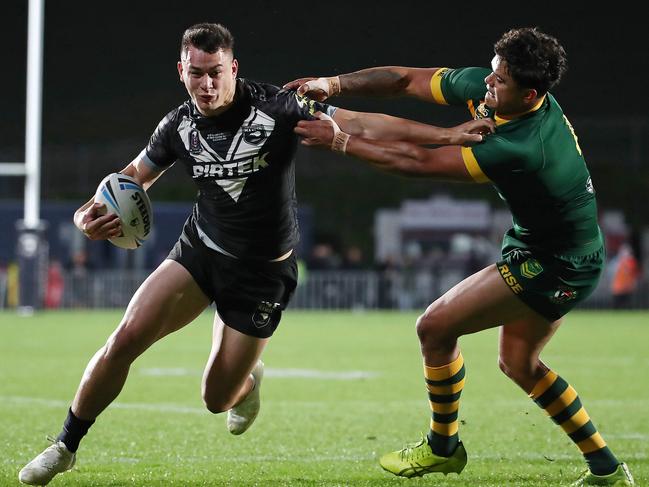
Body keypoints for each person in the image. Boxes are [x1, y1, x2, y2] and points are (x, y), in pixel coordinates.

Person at [18, 23, 489, 486]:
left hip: (263, 273)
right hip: (201, 250)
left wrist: (446, 136)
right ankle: (65, 446)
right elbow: (127, 179)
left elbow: (365, 123)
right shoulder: (178, 125)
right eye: (196, 73)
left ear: (233, 68)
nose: (206, 84)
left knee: (216, 398)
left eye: (215, 72)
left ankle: (248, 380)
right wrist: (86, 218)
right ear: (181, 70)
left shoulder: (281, 106)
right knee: (124, 339)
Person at [288, 27, 634, 486]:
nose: (487, 83)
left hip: (556, 263)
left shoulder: (522, 148)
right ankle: (608, 470)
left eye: (498, 81)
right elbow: (404, 80)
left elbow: (417, 162)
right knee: (519, 363)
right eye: (491, 72)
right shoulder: (501, 90)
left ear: (528, 94)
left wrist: (339, 140)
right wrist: (332, 85)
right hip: (553, 245)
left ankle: (442, 447)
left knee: (434, 326)